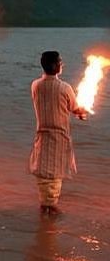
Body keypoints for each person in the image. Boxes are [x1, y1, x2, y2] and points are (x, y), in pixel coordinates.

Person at [29, 51, 87, 215]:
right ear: (55, 65)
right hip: (59, 135)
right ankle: (51, 207)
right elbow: (75, 108)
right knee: (55, 173)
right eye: (60, 62)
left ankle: (45, 205)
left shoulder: (35, 85)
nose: (62, 64)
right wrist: (81, 112)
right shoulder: (65, 88)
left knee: (43, 171)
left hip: (42, 133)